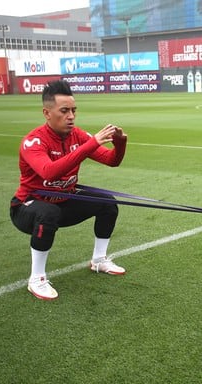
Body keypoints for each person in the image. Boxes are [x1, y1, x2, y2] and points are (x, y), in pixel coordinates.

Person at [10, 80, 128, 301]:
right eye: (64, 111)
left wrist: (120, 144)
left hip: (62, 202)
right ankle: (37, 279)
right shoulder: (33, 141)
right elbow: (48, 172)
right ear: (47, 113)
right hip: (26, 207)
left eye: (74, 110)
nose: (71, 116)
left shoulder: (78, 136)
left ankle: (99, 260)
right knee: (47, 213)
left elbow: (112, 160)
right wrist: (90, 144)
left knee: (107, 203)